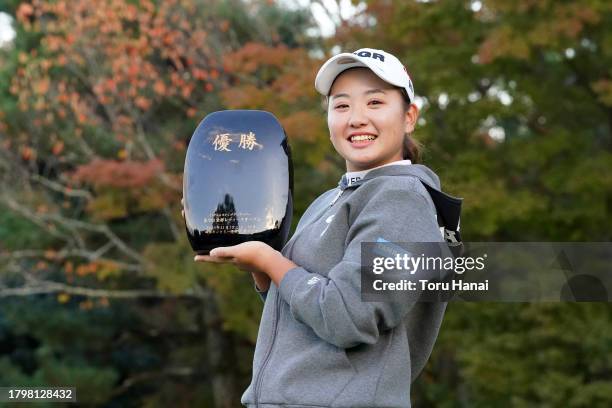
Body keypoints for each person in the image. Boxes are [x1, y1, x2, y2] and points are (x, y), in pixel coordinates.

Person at [194, 48, 452, 408]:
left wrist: (271, 261)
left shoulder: (402, 199)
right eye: (341, 105)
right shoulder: (330, 199)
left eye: (375, 103)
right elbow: (303, 311)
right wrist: (261, 272)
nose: (357, 118)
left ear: (409, 117)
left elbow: (348, 317)